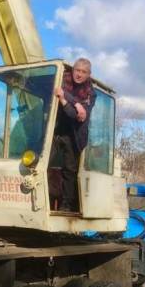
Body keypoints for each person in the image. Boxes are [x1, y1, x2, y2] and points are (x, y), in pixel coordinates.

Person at [52, 58, 96, 211]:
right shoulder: (61, 77)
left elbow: (75, 116)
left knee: (70, 171)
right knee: (40, 162)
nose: (79, 74)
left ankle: (67, 205)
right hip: (54, 128)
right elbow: (58, 88)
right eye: (77, 70)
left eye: (83, 72)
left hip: (74, 134)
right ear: (72, 70)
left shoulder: (91, 94)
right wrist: (76, 103)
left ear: (88, 75)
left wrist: (64, 99)